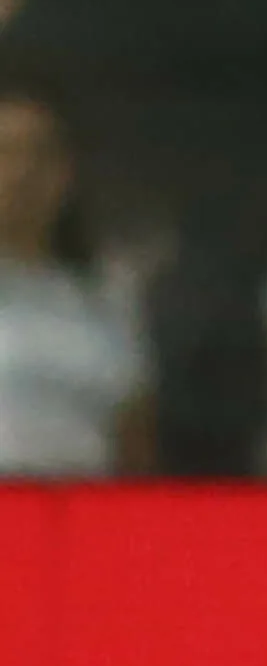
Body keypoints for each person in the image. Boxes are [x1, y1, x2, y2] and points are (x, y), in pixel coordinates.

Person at [0, 71, 151, 476]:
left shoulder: (105, 299)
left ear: (65, 173)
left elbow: (134, 439)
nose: (21, 174)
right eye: (6, 153)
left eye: (38, 155)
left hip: (84, 520)